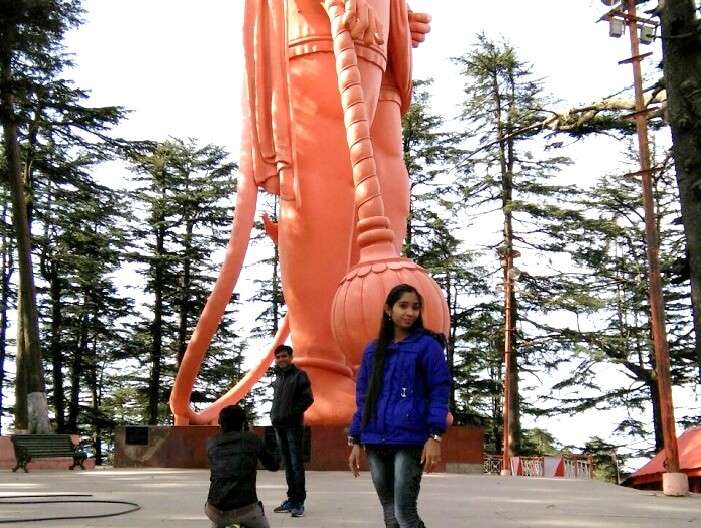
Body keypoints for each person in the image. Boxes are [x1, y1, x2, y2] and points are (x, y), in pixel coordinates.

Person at [347, 283, 452, 528]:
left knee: (404, 512)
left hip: (410, 440)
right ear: (388, 310)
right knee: (389, 512)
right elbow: (364, 397)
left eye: (415, 307)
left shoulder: (428, 347)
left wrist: (435, 436)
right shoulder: (373, 351)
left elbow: (440, 389)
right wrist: (355, 438)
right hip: (375, 439)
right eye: (403, 306)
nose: (410, 312)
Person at [205, 404, 280, 528]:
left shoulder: (211, 443)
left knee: (219, 519)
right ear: (243, 423)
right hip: (246, 510)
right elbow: (274, 466)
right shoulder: (251, 439)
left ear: (220, 423)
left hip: (214, 510)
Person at [270, 344, 314, 517]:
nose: (281, 359)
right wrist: (273, 416)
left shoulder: (299, 375)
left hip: (293, 426)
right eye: (278, 357)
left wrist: (290, 414)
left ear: (291, 357)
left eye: (284, 356)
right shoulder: (279, 378)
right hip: (279, 426)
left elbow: (308, 399)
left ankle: (299, 502)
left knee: (296, 465)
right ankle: (291, 499)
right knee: (288, 465)